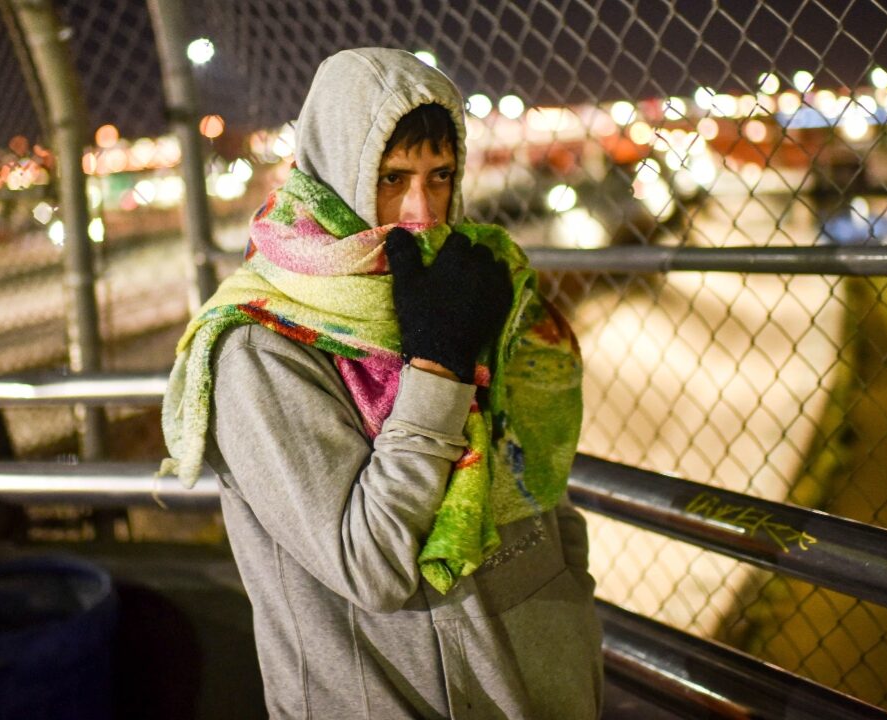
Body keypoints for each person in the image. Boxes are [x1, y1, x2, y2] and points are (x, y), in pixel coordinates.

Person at [162, 47, 603, 719]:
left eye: (441, 175)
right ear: (340, 172)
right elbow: (370, 565)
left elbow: (540, 484)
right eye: (392, 178)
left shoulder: (470, 285)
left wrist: (571, 604)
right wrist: (435, 370)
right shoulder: (259, 348)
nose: (421, 211)